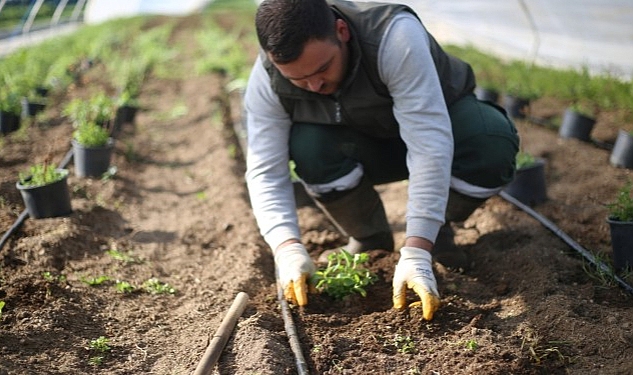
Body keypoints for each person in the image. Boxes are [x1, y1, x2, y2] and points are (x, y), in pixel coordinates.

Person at [244, 0, 519, 320]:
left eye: (322, 68)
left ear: (341, 31)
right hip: (361, 144)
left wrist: (417, 249)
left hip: (441, 133)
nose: (314, 85)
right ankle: (369, 239)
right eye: (298, 79)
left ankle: (437, 233)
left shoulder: (394, 37)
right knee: (309, 145)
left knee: (491, 143)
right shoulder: (267, 78)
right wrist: (287, 249)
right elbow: (264, 170)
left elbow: (429, 144)